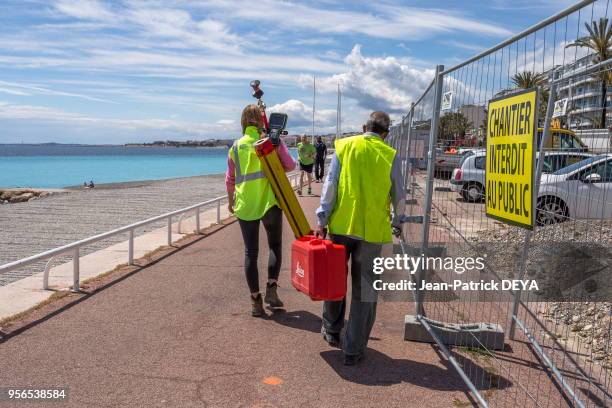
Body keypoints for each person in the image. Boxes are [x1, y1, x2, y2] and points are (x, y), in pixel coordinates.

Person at [315, 111, 404, 366]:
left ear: (364, 126)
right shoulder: (389, 155)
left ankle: (331, 330)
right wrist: (398, 222)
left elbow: (330, 185)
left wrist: (322, 219)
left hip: (341, 226)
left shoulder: (344, 146)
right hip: (372, 232)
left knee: (334, 281)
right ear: (385, 134)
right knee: (365, 290)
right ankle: (352, 349)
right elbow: (399, 192)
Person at [226, 104, 296, 317]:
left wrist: (231, 202)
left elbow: (230, 179)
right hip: (269, 202)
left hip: (245, 204)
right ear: (261, 121)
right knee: (275, 246)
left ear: (243, 122)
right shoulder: (271, 142)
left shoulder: (236, 147)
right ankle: (271, 292)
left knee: (250, 253)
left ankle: (255, 301)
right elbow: (291, 166)